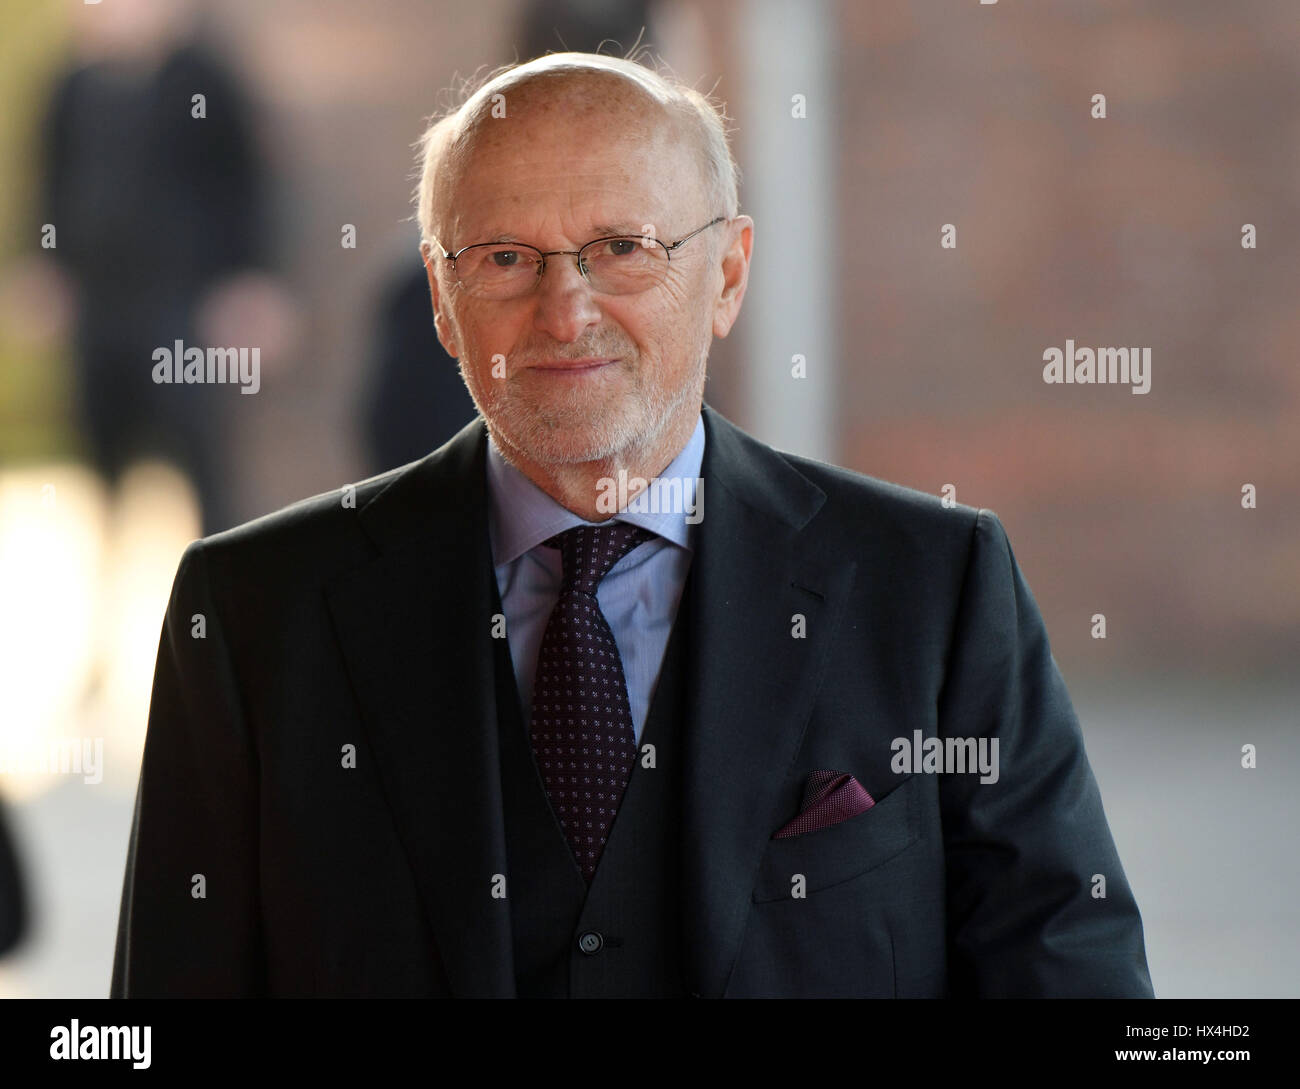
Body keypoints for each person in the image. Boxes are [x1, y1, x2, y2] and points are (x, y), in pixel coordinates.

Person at [110, 51, 1154, 998]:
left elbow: (1067, 979)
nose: (565, 313)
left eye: (621, 246)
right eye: (506, 257)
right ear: (439, 295)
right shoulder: (252, 613)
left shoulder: (932, 589)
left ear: (728, 276)